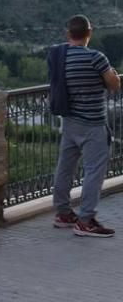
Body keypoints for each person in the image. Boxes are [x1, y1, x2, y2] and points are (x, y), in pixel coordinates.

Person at [49, 14, 120, 237]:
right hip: (93, 124)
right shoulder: (96, 58)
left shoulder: (58, 55)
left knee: (65, 168)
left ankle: (62, 213)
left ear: (68, 33)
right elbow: (114, 84)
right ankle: (86, 220)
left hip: (69, 121)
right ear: (89, 33)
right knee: (94, 171)